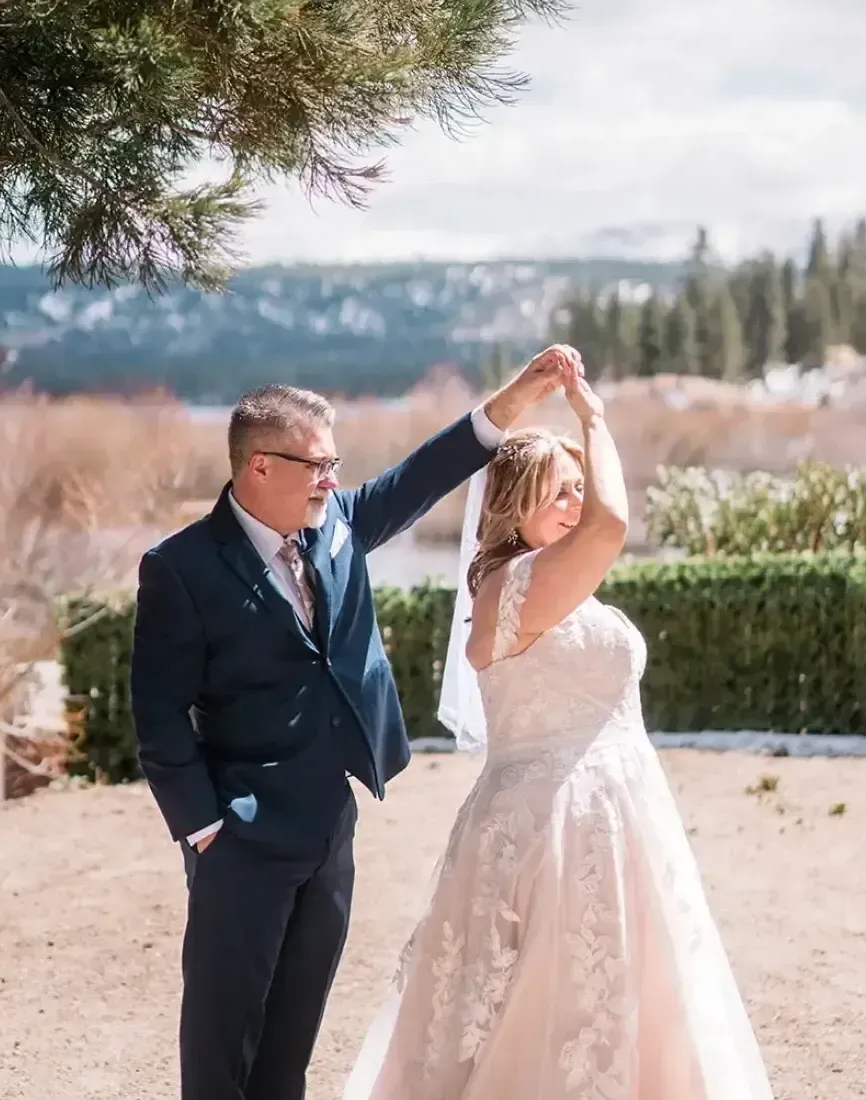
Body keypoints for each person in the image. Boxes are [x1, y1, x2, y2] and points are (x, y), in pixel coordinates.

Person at [129, 348, 570, 1100]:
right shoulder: (181, 567)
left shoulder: (338, 525)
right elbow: (157, 712)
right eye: (318, 464)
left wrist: (515, 400)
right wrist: (204, 827)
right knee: (220, 1041)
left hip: (330, 826)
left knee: (290, 1042)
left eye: (335, 464)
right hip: (240, 837)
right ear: (258, 467)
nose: (333, 479)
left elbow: (424, 473)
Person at [343, 351, 774, 1100]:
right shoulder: (514, 581)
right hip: (557, 824)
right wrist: (593, 417)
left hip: (613, 811)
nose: (576, 505)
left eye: (578, 487)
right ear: (513, 504)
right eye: (558, 493)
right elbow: (612, 523)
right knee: (549, 1009)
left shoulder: (540, 581)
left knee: (627, 1000)